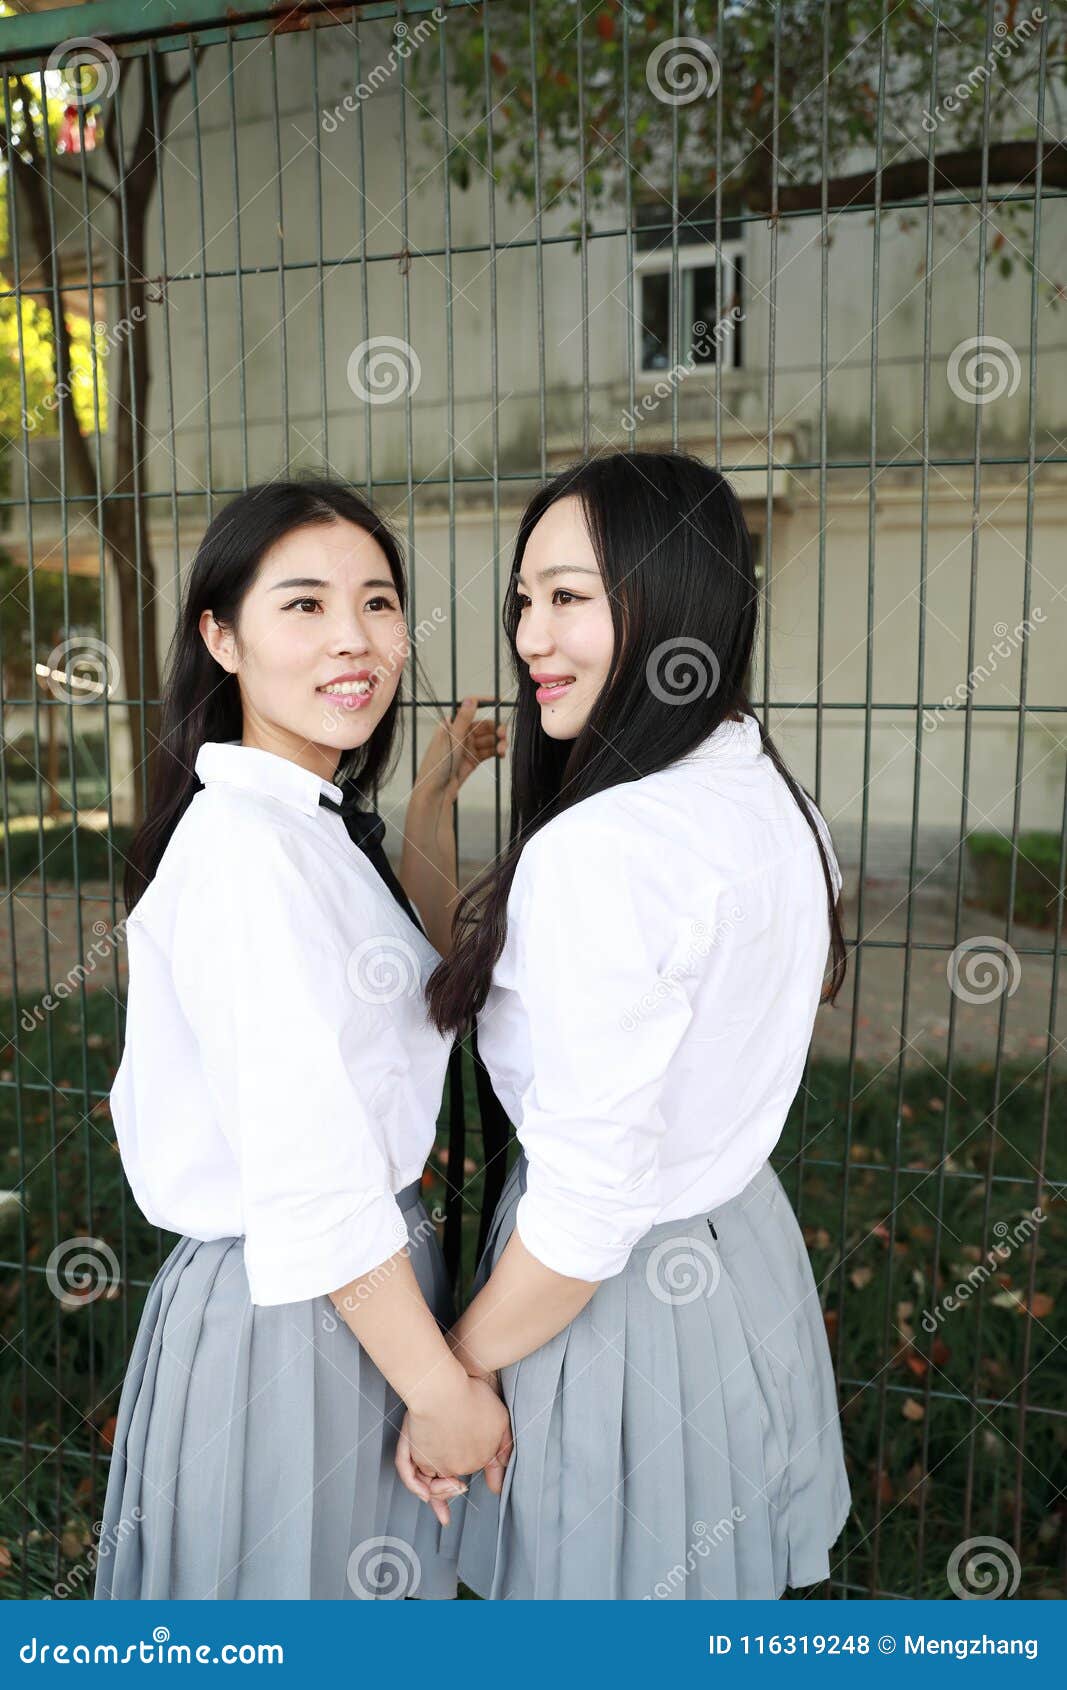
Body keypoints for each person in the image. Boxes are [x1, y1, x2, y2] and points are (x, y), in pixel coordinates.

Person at [398, 449, 853, 1600]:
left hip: (601, 1304)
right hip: (736, 1252)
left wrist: (450, 1379)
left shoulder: (603, 852)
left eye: (567, 597)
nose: (528, 637)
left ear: (667, 601)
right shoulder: (772, 797)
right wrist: (432, 800)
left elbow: (590, 1209)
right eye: (522, 600)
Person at [94, 477, 510, 1601]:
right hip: (296, 1305)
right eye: (304, 605)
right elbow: (310, 1169)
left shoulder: (297, 821)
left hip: (349, 1290)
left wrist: (427, 800)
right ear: (219, 637)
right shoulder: (245, 852)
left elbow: (407, 980)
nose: (355, 639)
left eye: (378, 603)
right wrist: (442, 1388)